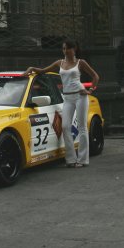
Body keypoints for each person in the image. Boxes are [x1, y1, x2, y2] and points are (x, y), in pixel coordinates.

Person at [24, 40, 99, 168]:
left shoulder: (80, 62)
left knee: (82, 127)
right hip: (68, 98)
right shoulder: (60, 63)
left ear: (74, 49)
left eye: (67, 49)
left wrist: (90, 90)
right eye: (63, 49)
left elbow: (95, 76)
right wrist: (31, 69)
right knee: (65, 127)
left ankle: (82, 160)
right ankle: (70, 159)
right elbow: (43, 71)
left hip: (80, 96)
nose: (65, 51)